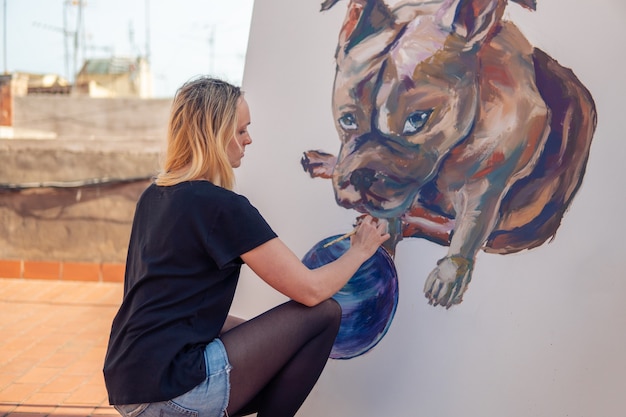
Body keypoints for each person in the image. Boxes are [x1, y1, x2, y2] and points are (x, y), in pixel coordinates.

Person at [103, 76, 390, 417]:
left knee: (286, 346)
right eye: (241, 131)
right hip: (173, 389)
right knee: (322, 315)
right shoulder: (221, 207)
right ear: (214, 135)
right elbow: (311, 291)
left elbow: (165, 304)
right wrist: (361, 249)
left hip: (129, 384)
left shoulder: (154, 196)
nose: (248, 139)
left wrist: (263, 337)